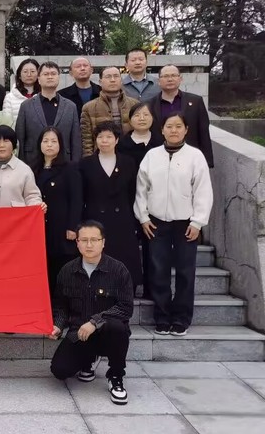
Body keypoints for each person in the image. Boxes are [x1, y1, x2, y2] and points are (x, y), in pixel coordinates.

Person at [135, 113, 213, 336]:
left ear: (186, 129)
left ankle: (181, 319)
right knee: (158, 270)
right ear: (162, 130)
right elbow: (141, 189)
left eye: (179, 126)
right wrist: (143, 217)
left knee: (185, 271)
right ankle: (162, 317)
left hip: (185, 223)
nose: (174, 130)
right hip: (156, 222)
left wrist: (197, 222)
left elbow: (203, 191)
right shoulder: (152, 156)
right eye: (169, 126)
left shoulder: (195, 156)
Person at [49, 220, 134, 406]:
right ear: (77, 242)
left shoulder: (118, 270)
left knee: (117, 327)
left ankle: (116, 377)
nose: (89, 245)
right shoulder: (67, 271)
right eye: (84, 240)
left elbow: (125, 307)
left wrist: (95, 322)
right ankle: (88, 361)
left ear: (103, 242)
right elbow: (61, 305)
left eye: (94, 240)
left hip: (108, 332)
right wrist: (58, 325)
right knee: (59, 370)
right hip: (79, 333)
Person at [79, 121, 142, 290]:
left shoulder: (128, 162)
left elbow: (133, 192)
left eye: (109, 137)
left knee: (123, 256)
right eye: (100, 137)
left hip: (122, 218)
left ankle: (126, 289)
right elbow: (82, 194)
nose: (104, 141)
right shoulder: (85, 164)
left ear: (117, 140)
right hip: (95, 217)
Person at [117, 102, 163, 298]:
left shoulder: (161, 143)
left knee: (153, 247)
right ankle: (130, 285)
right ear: (130, 119)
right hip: (127, 200)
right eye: (137, 115)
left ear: (153, 118)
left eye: (146, 114)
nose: (142, 118)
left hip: (156, 201)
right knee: (128, 246)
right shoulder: (122, 144)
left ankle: (153, 289)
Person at [33, 126, 82, 294]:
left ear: (61, 144)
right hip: (40, 227)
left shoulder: (69, 168)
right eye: (45, 141)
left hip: (61, 226)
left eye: (54, 141)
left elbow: (76, 199)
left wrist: (73, 226)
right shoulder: (34, 169)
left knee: (61, 266)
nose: (49, 145)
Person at [16, 61, 82, 169]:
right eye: (46, 74)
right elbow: (20, 138)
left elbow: (75, 140)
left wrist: (75, 167)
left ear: (59, 77)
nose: (50, 77)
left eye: (53, 74)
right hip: (32, 163)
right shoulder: (26, 106)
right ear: (38, 78)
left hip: (64, 164)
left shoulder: (70, 106)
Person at [149, 65, 214, 167]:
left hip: (190, 159)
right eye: (165, 76)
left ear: (180, 78)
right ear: (159, 81)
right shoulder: (149, 104)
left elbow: (204, 133)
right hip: (159, 159)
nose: (170, 79)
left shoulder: (196, 101)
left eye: (174, 75)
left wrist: (207, 162)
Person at [80, 67, 139, 156]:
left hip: (130, 154)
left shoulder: (134, 104)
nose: (112, 80)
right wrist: (89, 159)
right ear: (100, 82)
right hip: (100, 155)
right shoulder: (89, 107)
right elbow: (86, 139)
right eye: (108, 77)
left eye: (116, 76)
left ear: (121, 80)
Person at [2, 58, 40, 124]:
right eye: (25, 72)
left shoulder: (43, 95)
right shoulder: (10, 98)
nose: (29, 75)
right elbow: (6, 123)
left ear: (39, 74)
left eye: (32, 71)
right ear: (19, 75)